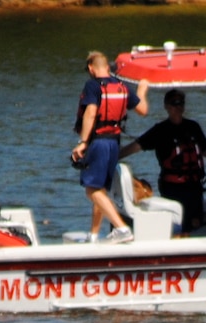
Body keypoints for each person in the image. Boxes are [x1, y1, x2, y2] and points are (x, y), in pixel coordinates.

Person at [123, 90, 206, 234]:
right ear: (166, 106)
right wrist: (113, 156)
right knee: (178, 223)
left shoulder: (193, 127)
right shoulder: (160, 130)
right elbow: (136, 146)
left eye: (181, 103)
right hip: (172, 187)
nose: (178, 107)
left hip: (194, 186)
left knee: (195, 223)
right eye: (174, 103)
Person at [71, 51, 150, 243]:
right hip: (114, 143)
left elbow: (90, 113)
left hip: (98, 142)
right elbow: (143, 110)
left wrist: (82, 143)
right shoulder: (122, 86)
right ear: (108, 67)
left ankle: (122, 229)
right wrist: (141, 91)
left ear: (91, 68)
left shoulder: (92, 86)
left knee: (92, 191)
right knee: (100, 189)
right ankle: (94, 234)